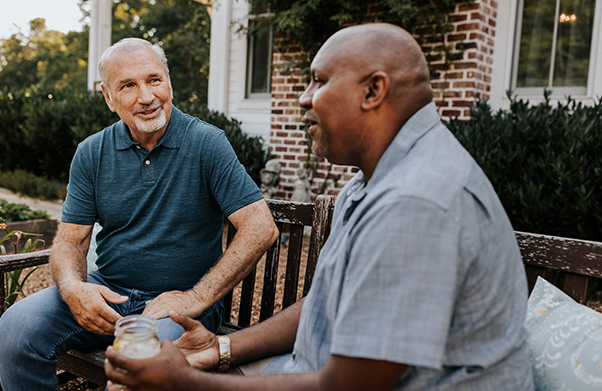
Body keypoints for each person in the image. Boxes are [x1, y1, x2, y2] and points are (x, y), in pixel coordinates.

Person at [104, 23, 535, 391]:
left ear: (373, 90)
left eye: (319, 81)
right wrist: (220, 348)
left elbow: (349, 386)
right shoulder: (374, 178)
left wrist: (186, 381)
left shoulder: (414, 202)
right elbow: (323, 303)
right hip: (311, 368)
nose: (304, 99)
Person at [0, 38, 278, 391]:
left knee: (142, 361)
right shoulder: (91, 152)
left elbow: (260, 227)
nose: (146, 97)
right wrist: (72, 288)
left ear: (169, 83)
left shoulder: (207, 143)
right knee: (15, 329)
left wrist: (195, 298)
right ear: (108, 97)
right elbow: (70, 240)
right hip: (109, 292)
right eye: (128, 85)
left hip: (180, 303)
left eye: (154, 80)